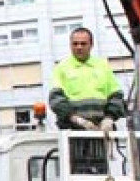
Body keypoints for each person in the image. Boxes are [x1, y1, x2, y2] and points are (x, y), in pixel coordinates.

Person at [49, 27, 125, 172]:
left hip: (99, 131)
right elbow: (56, 98)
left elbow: (116, 95)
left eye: (83, 43)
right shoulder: (62, 68)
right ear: (70, 45)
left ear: (91, 45)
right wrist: (75, 118)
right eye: (75, 43)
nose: (79, 47)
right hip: (73, 132)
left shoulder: (102, 66)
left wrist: (109, 118)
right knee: (74, 172)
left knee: (101, 172)